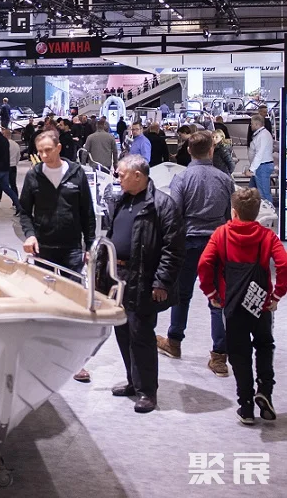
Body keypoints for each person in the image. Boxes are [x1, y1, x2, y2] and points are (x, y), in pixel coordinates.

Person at [198, 188, 287, 424]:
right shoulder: (267, 237)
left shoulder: (221, 234)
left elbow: (204, 263)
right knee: (264, 345)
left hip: (233, 303)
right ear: (257, 213)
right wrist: (277, 295)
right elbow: (284, 264)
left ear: (234, 212)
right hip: (261, 303)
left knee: (239, 353)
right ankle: (265, 391)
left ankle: (246, 406)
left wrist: (211, 292)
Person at [107, 155, 184, 413]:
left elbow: (173, 249)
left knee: (141, 334)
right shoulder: (122, 200)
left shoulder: (162, 205)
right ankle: (133, 381)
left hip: (144, 279)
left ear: (138, 175)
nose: (118, 178)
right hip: (118, 277)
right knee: (122, 331)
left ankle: (147, 392)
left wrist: (161, 281)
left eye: (121, 174)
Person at [20, 130, 96, 383]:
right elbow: (24, 212)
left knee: (73, 305)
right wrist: (30, 235)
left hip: (72, 249)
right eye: (40, 151)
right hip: (43, 251)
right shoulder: (34, 175)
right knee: (44, 303)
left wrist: (90, 246)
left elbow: (87, 213)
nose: (43, 155)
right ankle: (44, 356)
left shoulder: (76, 173)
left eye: (48, 150)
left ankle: (75, 362)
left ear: (59, 148)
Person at [157, 132, 234, 376]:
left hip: (188, 243)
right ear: (211, 150)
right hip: (217, 244)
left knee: (181, 295)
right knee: (217, 298)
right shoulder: (225, 180)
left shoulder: (181, 179)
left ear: (189, 151)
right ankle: (219, 357)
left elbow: (175, 216)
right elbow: (228, 217)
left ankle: (174, 341)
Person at [246, 114, 275, 203]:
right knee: (251, 192)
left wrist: (251, 170)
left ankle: (270, 210)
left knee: (264, 194)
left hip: (262, 167)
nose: (251, 126)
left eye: (252, 124)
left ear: (257, 124)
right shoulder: (260, 135)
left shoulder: (263, 135)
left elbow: (259, 154)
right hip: (259, 167)